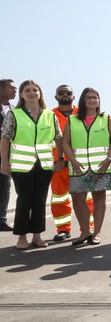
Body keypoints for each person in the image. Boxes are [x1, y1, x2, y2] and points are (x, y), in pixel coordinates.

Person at [0, 80, 64, 249]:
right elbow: (5, 138)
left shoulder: (50, 115)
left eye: (35, 90)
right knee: (25, 199)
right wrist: (4, 161)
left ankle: (37, 235)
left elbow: (58, 137)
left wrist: (61, 158)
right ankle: (22, 237)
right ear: (21, 95)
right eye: (27, 90)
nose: (31, 93)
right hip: (21, 165)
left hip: (44, 165)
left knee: (40, 200)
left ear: (40, 93)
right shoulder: (14, 114)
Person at [61, 87, 111, 247]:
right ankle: (85, 231)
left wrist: (108, 159)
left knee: (99, 198)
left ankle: (97, 232)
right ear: (83, 101)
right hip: (78, 167)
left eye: (95, 97)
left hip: (101, 167)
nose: (92, 100)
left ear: (99, 101)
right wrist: (73, 161)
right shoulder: (72, 120)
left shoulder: (106, 118)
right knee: (78, 198)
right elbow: (65, 143)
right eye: (89, 98)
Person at [49, 85, 94, 242]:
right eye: (61, 93)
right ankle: (63, 229)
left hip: (80, 163)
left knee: (85, 197)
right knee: (59, 197)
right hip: (59, 164)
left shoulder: (83, 113)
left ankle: (88, 228)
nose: (65, 95)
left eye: (68, 93)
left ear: (74, 97)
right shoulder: (49, 115)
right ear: (56, 97)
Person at [0, 78, 18, 232]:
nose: (15, 90)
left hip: (7, 156)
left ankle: (1, 220)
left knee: (4, 187)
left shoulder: (15, 110)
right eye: (12, 87)